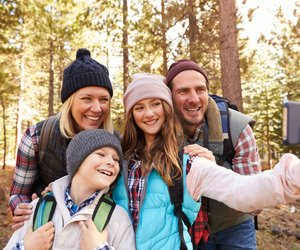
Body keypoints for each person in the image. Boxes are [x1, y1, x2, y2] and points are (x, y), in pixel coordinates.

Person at [112, 73, 300, 250]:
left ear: (167, 109)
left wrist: (290, 177)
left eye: (155, 104)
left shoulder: (187, 162)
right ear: (131, 115)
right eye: (139, 107)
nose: (149, 113)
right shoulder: (118, 161)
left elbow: (242, 189)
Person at [10, 48, 116, 231]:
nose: (97, 108)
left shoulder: (116, 144)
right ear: (70, 101)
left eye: (104, 100)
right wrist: (23, 209)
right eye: (86, 99)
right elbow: (18, 194)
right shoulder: (37, 137)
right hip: (46, 231)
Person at [165, 59, 261, 249]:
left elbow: (254, 204)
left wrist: (214, 171)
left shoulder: (237, 128)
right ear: (169, 96)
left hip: (234, 227)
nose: (194, 98)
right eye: (183, 91)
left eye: (200, 89)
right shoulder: (158, 130)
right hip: (183, 225)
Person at [5, 129, 135, 250]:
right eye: (101, 154)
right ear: (77, 160)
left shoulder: (118, 219)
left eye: (116, 159)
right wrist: (25, 247)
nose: (111, 162)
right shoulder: (39, 208)